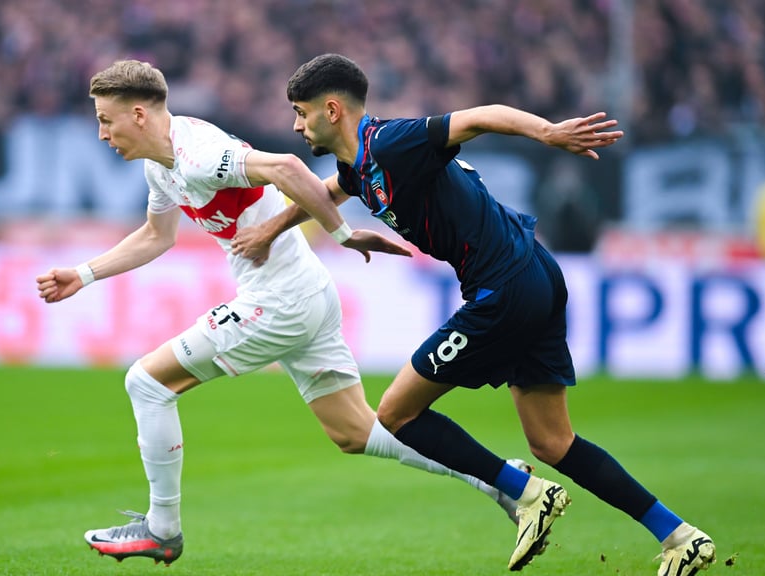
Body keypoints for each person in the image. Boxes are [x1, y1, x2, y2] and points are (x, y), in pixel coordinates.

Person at [231, 53, 716, 575]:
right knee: (553, 442)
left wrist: (548, 132)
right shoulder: (358, 164)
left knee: (396, 415)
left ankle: (524, 492)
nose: (297, 125)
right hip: (533, 272)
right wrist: (270, 229)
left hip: (503, 288)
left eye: (301, 113)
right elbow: (324, 192)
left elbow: (479, 116)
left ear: (332, 110)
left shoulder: (393, 142)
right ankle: (679, 536)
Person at [35, 59, 532, 566]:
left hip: (277, 303)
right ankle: (504, 482)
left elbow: (289, 168)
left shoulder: (198, 154)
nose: (100, 133)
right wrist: (85, 274)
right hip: (305, 293)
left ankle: (162, 527)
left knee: (147, 382)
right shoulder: (161, 165)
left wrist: (341, 233)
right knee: (355, 433)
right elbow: (157, 236)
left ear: (138, 114)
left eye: (106, 120)